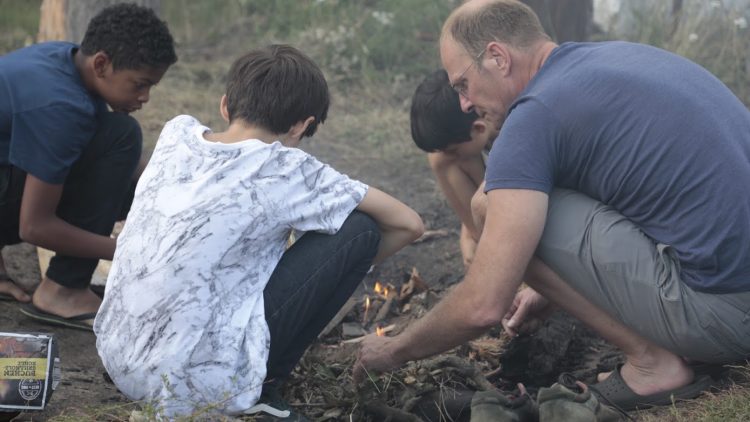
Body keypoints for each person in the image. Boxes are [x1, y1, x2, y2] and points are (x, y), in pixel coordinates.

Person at [355, 0, 750, 413]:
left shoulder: (534, 116)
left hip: (724, 315)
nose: (465, 103)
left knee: (489, 204)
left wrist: (395, 350)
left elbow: (483, 306)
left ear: (497, 57)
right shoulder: (608, 59)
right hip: (733, 288)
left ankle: (652, 364)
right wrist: (556, 290)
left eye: (462, 84)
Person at [94, 44, 424, 419]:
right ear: (301, 126)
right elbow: (408, 223)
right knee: (360, 229)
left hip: (121, 356)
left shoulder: (177, 133)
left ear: (225, 106)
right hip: (195, 386)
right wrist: (329, 278)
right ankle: (263, 388)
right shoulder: (284, 166)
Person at [0, 3, 177, 330]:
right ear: (101, 64)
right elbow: (34, 226)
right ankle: (63, 290)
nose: (145, 97)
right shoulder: (61, 106)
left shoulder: (66, 60)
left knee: (125, 164)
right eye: (140, 84)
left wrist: (180, 194)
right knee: (122, 136)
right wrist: (130, 252)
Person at [410, 69, 499, 269]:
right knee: (439, 159)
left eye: (453, 150)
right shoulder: (475, 135)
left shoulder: (511, 134)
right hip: (495, 197)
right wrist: (467, 233)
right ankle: (480, 238)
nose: (449, 155)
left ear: (479, 129)